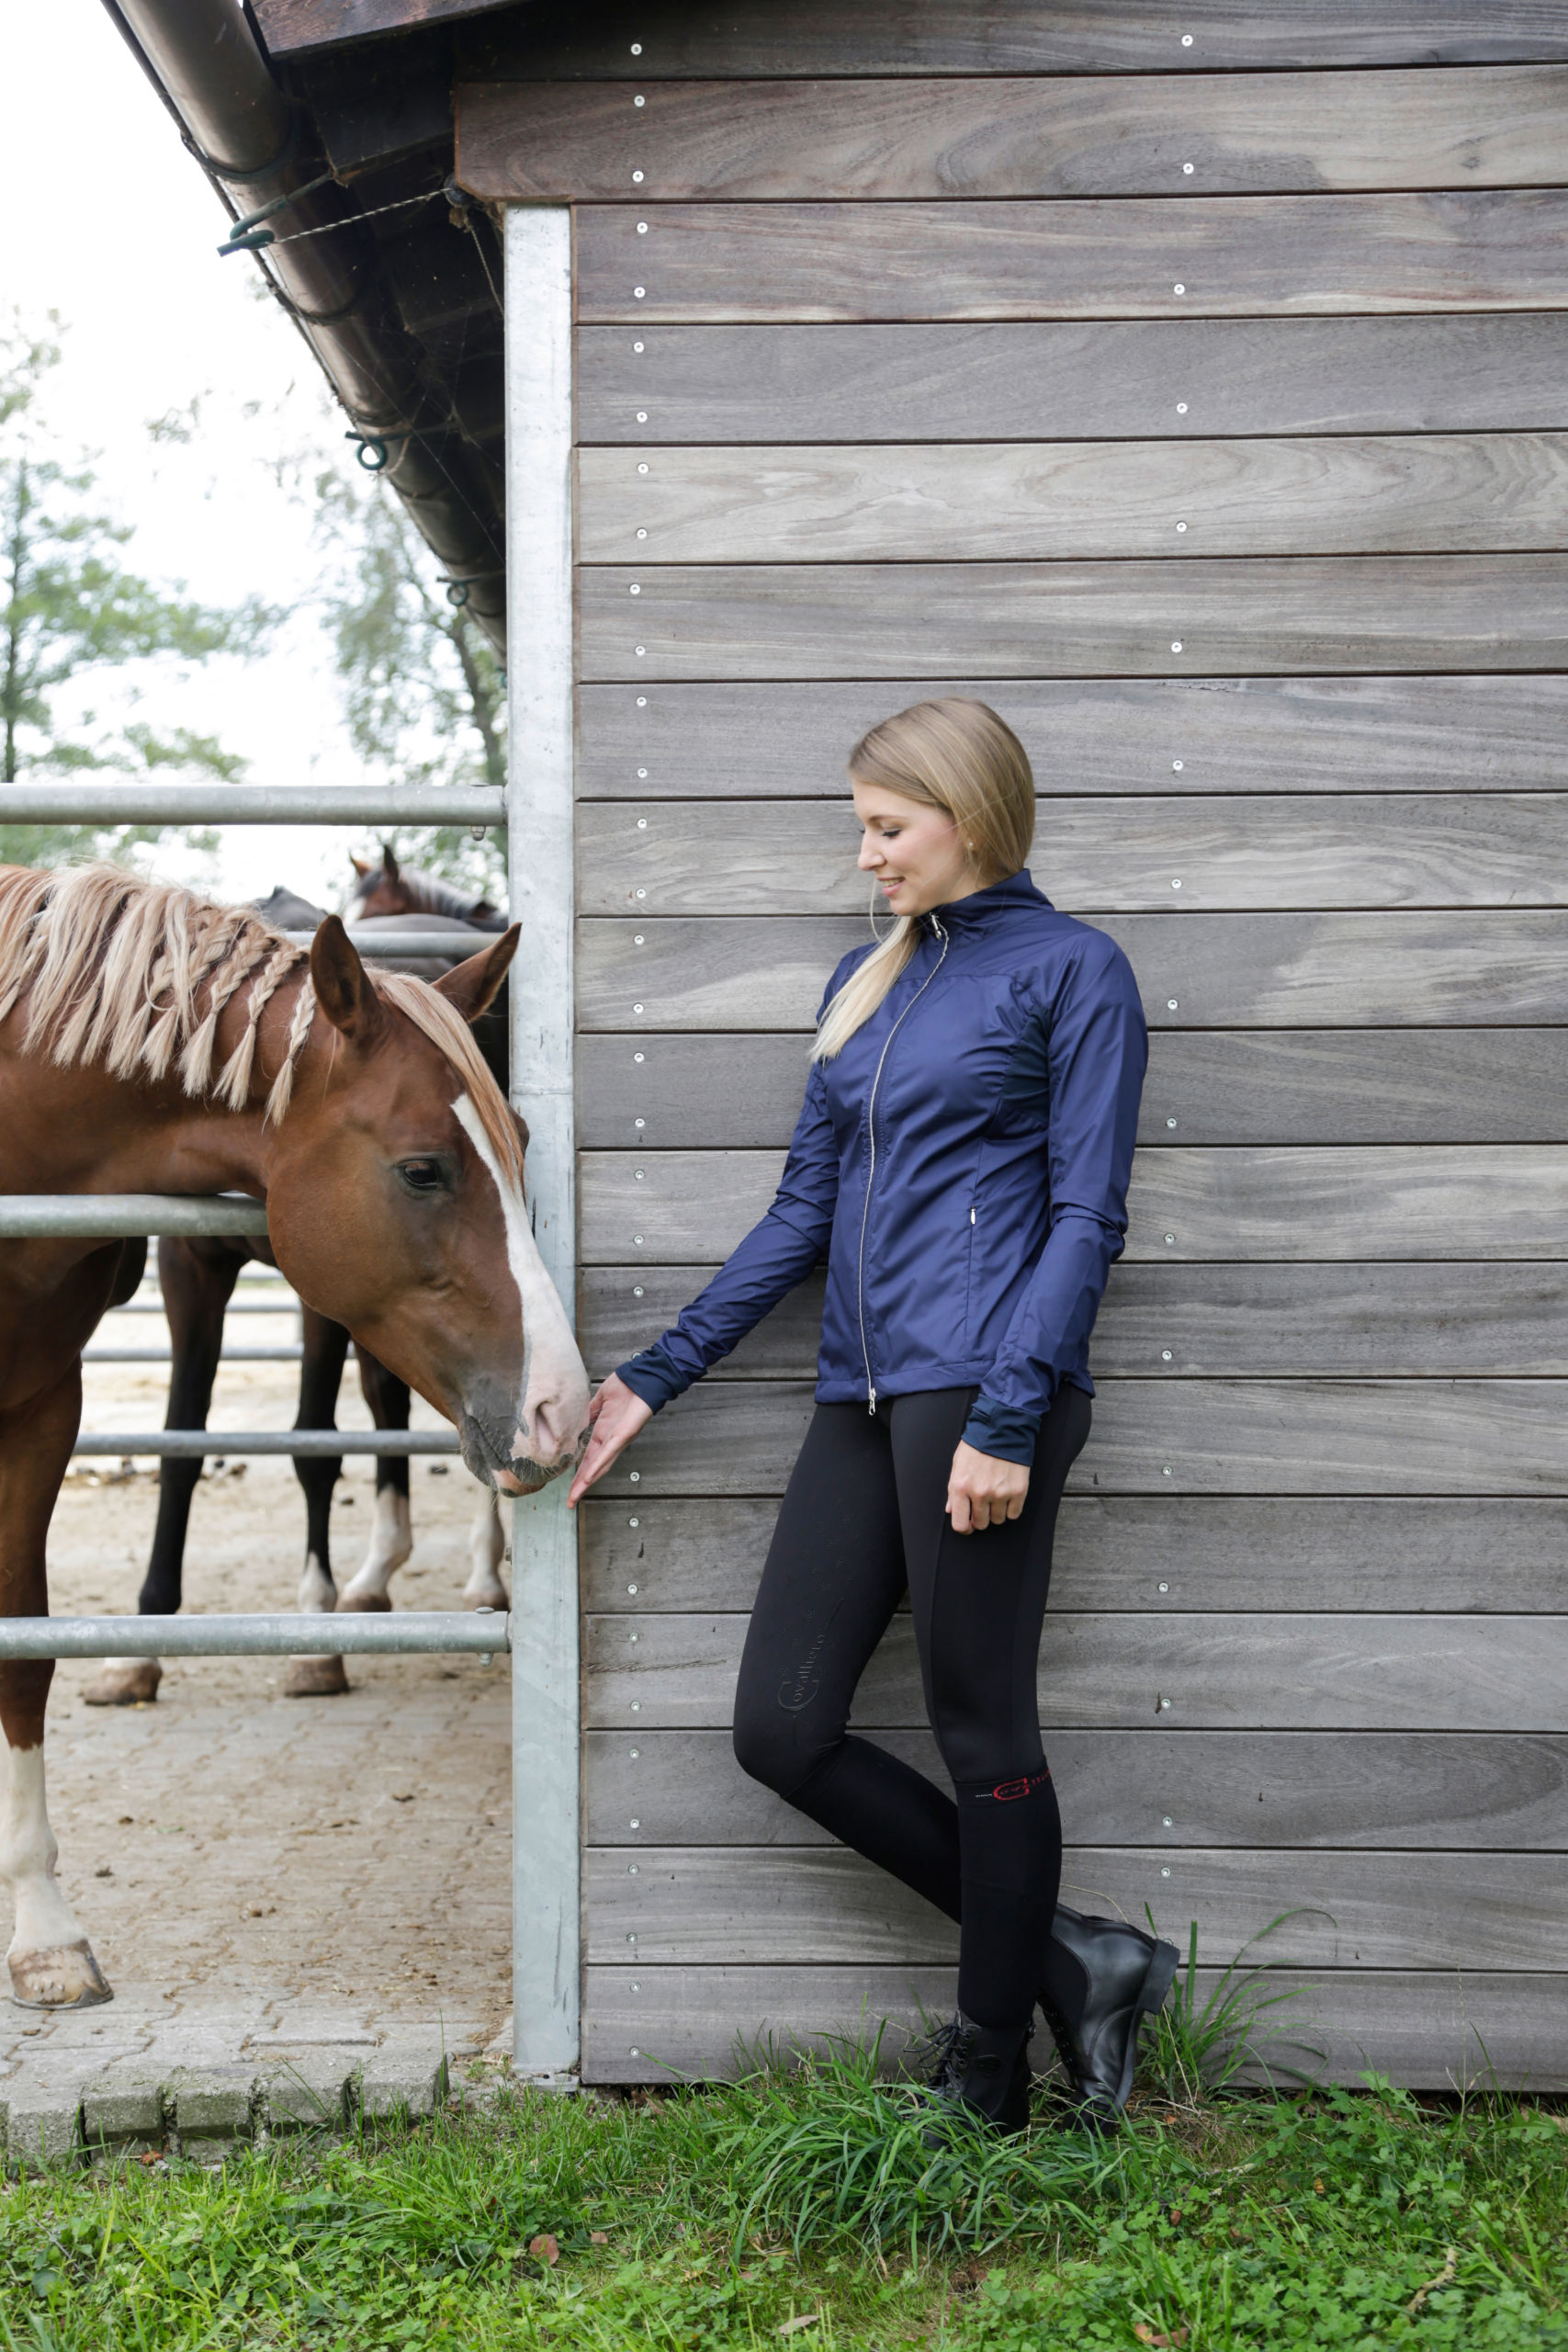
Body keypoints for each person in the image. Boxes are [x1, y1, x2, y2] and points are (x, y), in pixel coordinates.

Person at [570, 698, 1177, 2134]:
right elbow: (802, 1212)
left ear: (968, 815)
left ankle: (988, 2080)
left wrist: (1012, 1418)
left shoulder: (1077, 973)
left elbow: (1089, 1216)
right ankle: (1080, 1960)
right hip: (861, 1389)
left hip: (983, 1387)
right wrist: (653, 1374)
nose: (866, 856)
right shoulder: (867, 979)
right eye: (861, 826)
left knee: (983, 1728)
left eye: (887, 827)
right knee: (782, 1730)